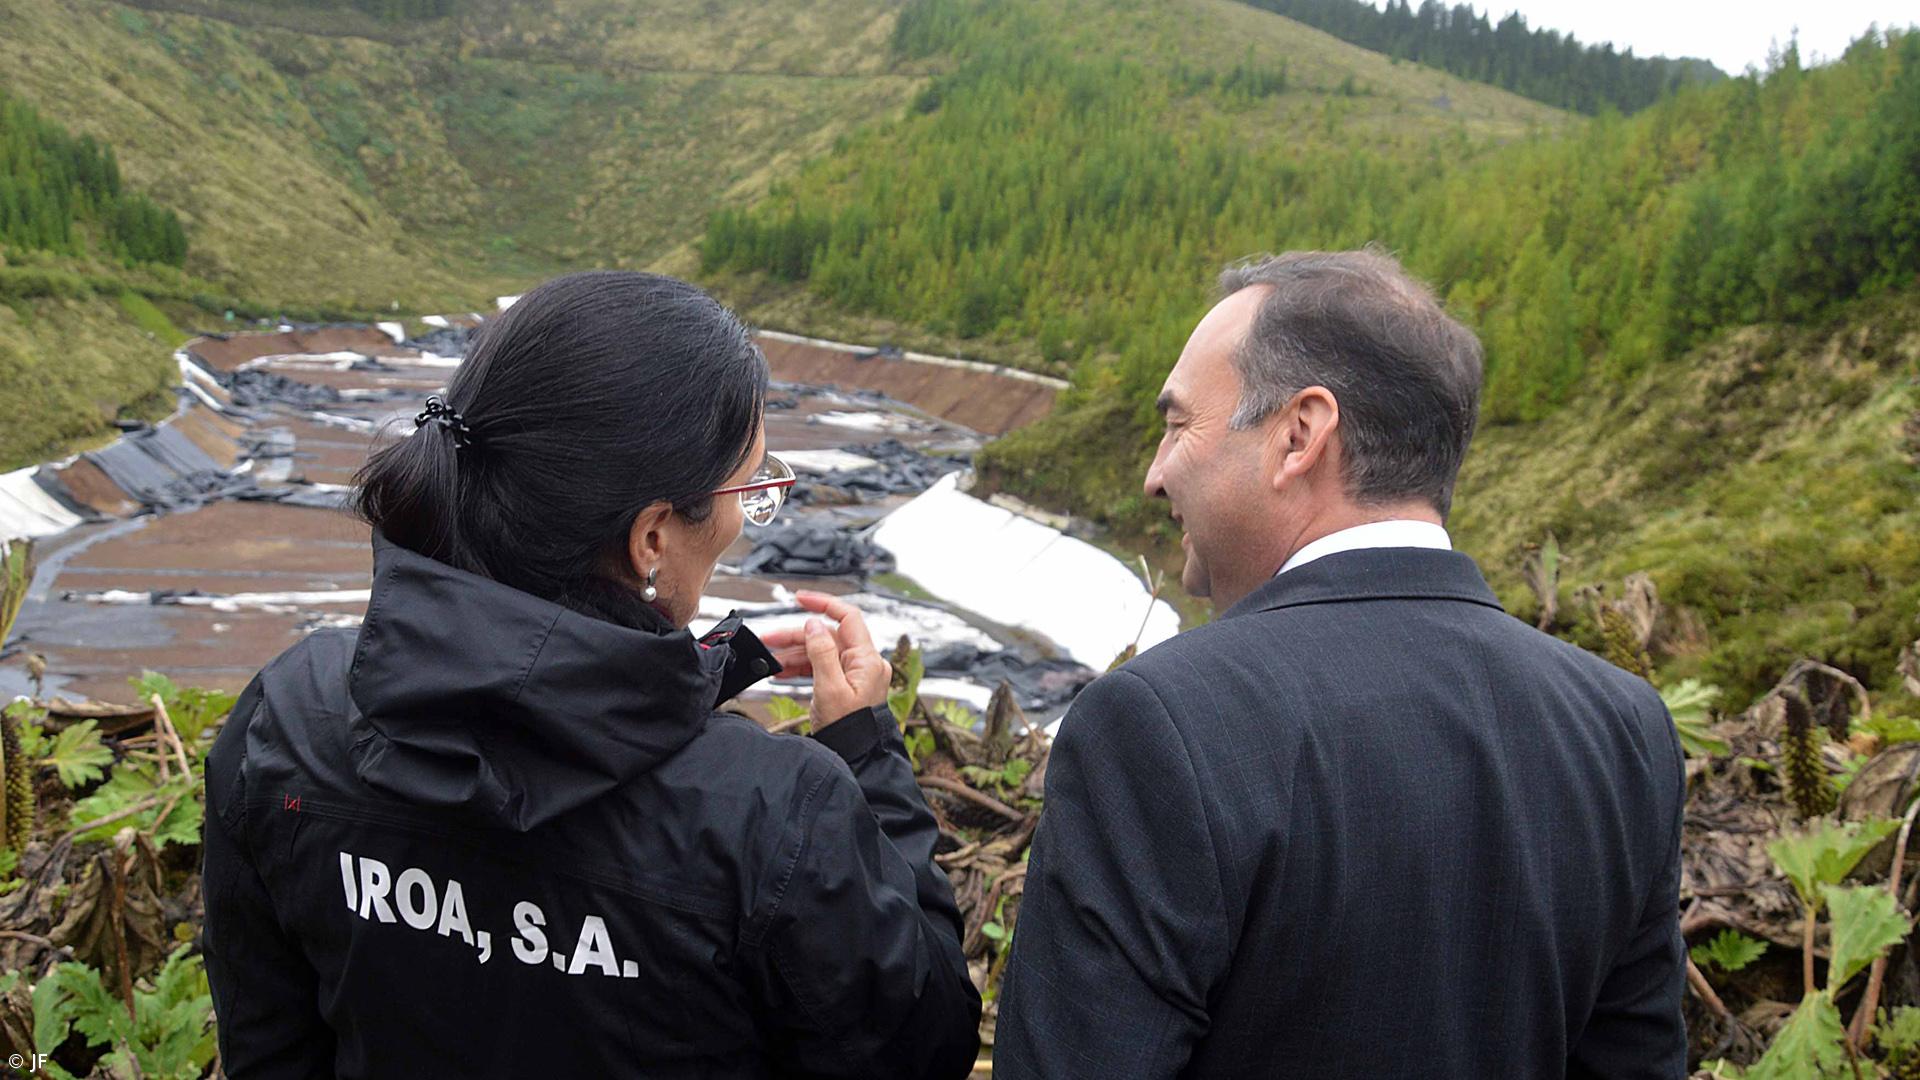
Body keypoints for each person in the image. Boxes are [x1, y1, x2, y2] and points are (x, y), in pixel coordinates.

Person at [201, 271, 981, 1078]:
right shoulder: (774, 812)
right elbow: (923, 1044)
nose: (741, 522)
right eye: (746, 489)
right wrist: (865, 752)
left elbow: (270, 1047)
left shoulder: (290, 717)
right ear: (650, 539)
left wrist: (696, 674)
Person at [996, 249, 1686, 1078]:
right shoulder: (1624, 725)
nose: (1154, 474)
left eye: (1179, 424)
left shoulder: (1157, 723)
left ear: (1299, 434)